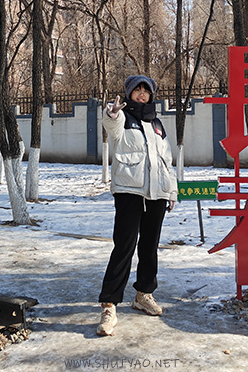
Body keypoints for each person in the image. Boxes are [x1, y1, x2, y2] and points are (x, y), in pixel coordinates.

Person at [96, 74, 177, 337]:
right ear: (129, 93)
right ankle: (109, 305)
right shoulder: (123, 118)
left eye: (146, 91)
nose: (142, 94)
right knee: (124, 246)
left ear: (151, 95)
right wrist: (111, 114)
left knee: (150, 246)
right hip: (129, 192)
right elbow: (112, 126)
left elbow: (167, 160)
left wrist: (171, 191)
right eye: (137, 90)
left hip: (157, 193)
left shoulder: (157, 125)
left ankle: (144, 294)